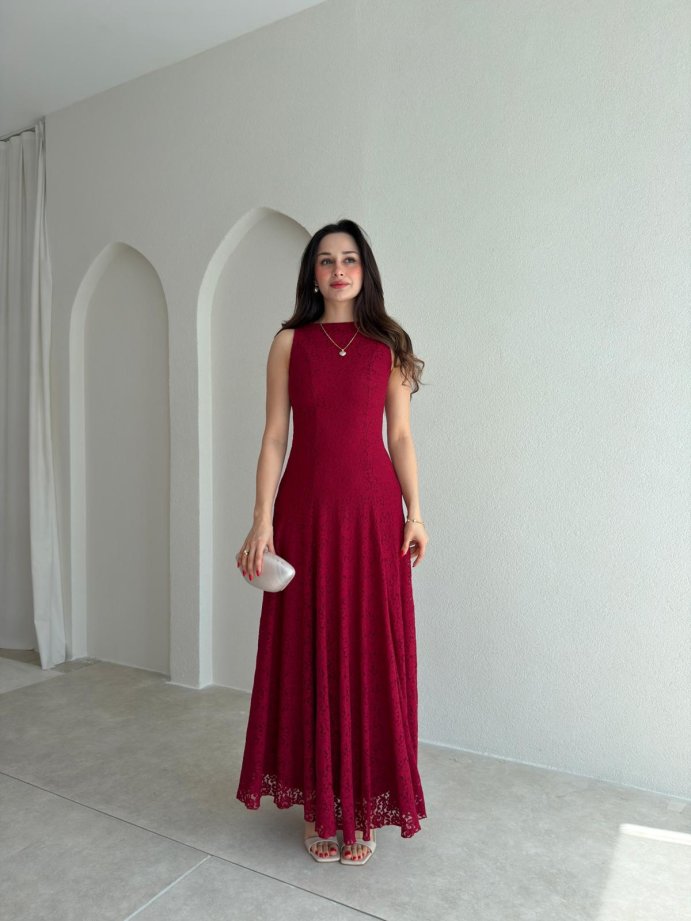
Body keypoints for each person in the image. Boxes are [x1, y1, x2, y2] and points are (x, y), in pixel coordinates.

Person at [235, 218, 428, 865]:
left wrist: (416, 513)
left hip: (373, 515)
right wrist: (261, 519)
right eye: (325, 260)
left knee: (369, 651)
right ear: (312, 274)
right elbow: (274, 436)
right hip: (306, 515)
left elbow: (400, 436)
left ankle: (362, 802)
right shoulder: (289, 343)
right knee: (310, 648)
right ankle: (321, 804)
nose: (337, 270)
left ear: (364, 270)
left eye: (348, 259)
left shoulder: (388, 344)